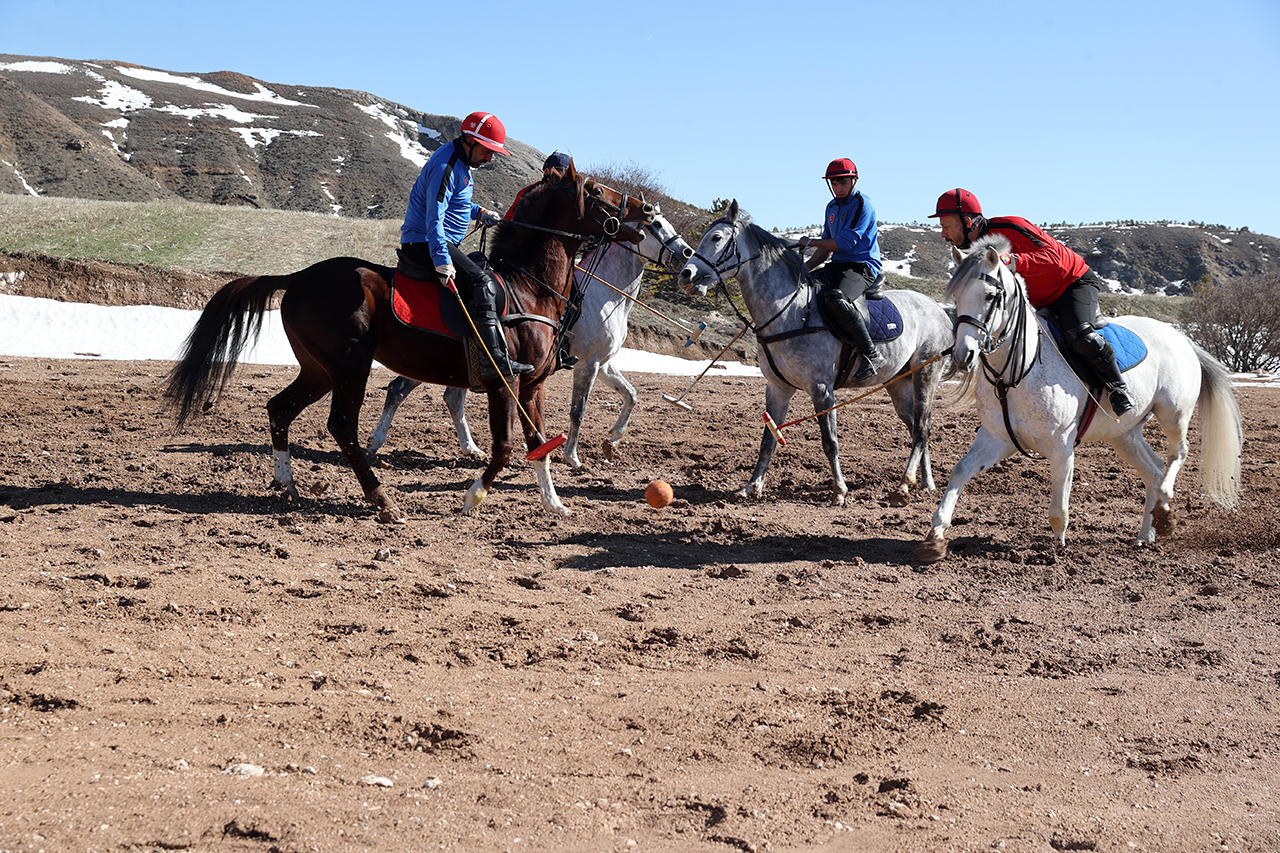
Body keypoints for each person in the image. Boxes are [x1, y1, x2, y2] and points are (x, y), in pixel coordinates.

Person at [929, 189, 1134, 415]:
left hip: (1073, 283)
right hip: (1034, 301)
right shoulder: (973, 253)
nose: (942, 234)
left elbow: (1056, 258)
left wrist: (1012, 260)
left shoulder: (1010, 226)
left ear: (967, 222)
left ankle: (1118, 388)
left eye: (946, 226)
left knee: (1079, 334)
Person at [400, 111, 533, 379]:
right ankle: (493, 361)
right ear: (471, 140)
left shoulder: (460, 162)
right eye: (487, 150)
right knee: (482, 283)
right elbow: (433, 216)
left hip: (440, 242)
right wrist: (441, 259)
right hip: (425, 242)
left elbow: (454, 204)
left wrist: (477, 213)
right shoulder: (446, 166)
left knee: (485, 267)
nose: (490, 157)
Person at [797, 158, 886, 381]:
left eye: (843, 182)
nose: (838, 187)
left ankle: (871, 354)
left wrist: (811, 242)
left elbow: (845, 244)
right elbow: (827, 249)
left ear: (854, 180)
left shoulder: (863, 204)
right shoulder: (831, 207)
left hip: (862, 266)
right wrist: (804, 269)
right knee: (802, 289)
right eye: (834, 183)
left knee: (835, 299)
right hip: (837, 265)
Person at [503, 151, 570, 221]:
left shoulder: (571, 195)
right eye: (558, 171)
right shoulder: (530, 192)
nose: (562, 175)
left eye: (566, 173)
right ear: (546, 171)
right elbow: (509, 219)